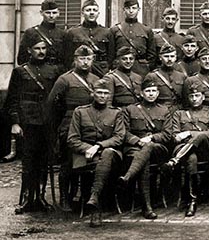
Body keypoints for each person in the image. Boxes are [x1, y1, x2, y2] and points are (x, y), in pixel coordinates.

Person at [7, 38, 61, 213]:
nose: (41, 51)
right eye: (37, 48)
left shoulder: (53, 70)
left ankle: (40, 198)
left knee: (44, 161)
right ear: (29, 50)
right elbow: (12, 100)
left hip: (47, 121)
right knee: (28, 162)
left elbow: (57, 100)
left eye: (44, 48)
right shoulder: (20, 72)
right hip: (28, 122)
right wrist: (15, 123)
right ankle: (26, 198)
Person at [46, 45, 101, 211]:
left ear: (92, 60)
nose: (85, 62)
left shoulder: (96, 80)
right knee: (68, 163)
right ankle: (65, 198)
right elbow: (51, 103)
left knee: (86, 162)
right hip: (69, 124)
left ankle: (82, 196)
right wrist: (56, 128)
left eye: (88, 59)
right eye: (81, 59)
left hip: (90, 124)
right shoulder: (65, 79)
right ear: (75, 60)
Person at [66, 78, 125, 227]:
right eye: (99, 92)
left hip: (110, 154)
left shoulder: (116, 113)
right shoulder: (80, 112)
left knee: (107, 154)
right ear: (92, 93)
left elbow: (119, 137)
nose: (103, 96)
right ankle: (95, 207)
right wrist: (88, 148)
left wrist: (98, 147)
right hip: (85, 156)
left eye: (106, 93)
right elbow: (72, 139)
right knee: (103, 160)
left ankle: (94, 199)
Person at [117, 77, 173, 219]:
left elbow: (167, 134)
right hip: (135, 148)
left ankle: (128, 176)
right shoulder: (130, 109)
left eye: (154, 91)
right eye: (148, 91)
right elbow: (123, 132)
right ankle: (147, 207)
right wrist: (137, 141)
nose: (151, 94)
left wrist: (151, 138)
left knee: (148, 148)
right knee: (144, 161)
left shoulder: (164, 110)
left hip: (158, 149)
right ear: (141, 93)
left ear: (158, 93)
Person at [163, 81, 209, 217]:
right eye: (191, 96)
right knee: (191, 158)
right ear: (188, 98)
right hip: (185, 149)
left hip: (205, 150)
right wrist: (184, 136)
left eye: (197, 95)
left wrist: (189, 133)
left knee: (201, 136)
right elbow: (175, 136)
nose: (194, 99)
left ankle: (175, 160)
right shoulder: (179, 114)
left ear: (203, 97)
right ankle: (192, 200)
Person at [17, 0, 69, 69]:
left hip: (57, 73)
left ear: (58, 13)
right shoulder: (31, 32)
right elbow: (21, 59)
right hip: (38, 72)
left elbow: (67, 59)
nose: (51, 16)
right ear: (41, 13)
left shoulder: (63, 34)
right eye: (48, 13)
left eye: (54, 13)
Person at [67, 0, 113, 75]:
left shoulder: (107, 32)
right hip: (79, 71)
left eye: (94, 10)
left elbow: (111, 56)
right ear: (82, 13)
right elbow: (68, 57)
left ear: (98, 13)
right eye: (88, 10)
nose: (92, 13)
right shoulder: (73, 32)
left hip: (101, 71)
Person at [110, 0, 155, 76]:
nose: (131, 11)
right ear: (123, 10)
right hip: (120, 69)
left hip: (141, 70)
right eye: (128, 8)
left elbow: (152, 55)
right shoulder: (115, 30)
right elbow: (111, 54)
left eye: (134, 8)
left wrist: (147, 67)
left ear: (138, 9)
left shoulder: (146, 30)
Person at [145, 45, 187, 109]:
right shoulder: (152, 76)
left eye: (172, 56)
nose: (169, 59)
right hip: (159, 110)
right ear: (160, 57)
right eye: (166, 56)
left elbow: (185, 98)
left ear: (175, 58)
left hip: (178, 110)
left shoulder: (181, 76)